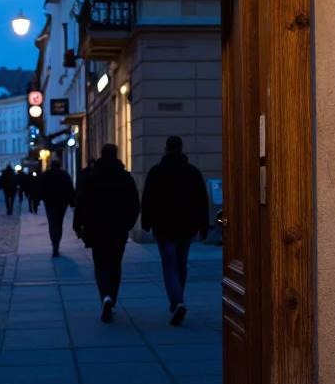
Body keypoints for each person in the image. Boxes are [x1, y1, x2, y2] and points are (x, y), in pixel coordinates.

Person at [140, 135, 210, 326]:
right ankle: (177, 298)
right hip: (186, 227)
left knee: (169, 265)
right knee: (181, 264)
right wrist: (204, 226)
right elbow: (201, 201)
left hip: (163, 227)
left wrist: (146, 222)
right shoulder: (192, 172)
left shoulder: (156, 172)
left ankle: (177, 301)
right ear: (181, 149)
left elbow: (148, 199)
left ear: (166, 149)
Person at [72, 143, 140, 322]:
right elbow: (134, 204)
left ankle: (105, 297)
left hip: (97, 228)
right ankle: (112, 298)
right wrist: (129, 223)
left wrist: (77, 224)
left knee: (100, 264)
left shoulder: (93, 178)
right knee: (115, 265)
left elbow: (82, 203)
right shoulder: (125, 178)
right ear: (116, 155)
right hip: (118, 229)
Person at [40, 160, 75, 257]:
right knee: (59, 223)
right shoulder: (64, 175)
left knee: (52, 223)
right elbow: (70, 188)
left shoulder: (46, 175)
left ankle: (54, 245)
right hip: (62, 202)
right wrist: (72, 202)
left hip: (50, 202)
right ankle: (57, 244)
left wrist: (39, 199)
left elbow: (40, 187)